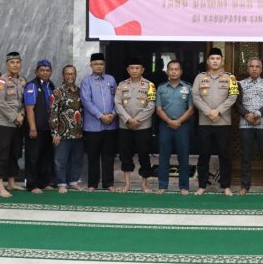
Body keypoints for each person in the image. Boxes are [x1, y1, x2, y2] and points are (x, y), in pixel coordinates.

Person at [192, 47, 238, 196]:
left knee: (224, 155)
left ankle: (226, 186)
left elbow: (233, 97)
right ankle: (202, 185)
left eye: (218, 58)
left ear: (222, 61)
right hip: (205, 123)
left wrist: (218, 111)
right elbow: (196, 97)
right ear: (207, 61)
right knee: (203, 154)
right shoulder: (200, 78)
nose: (215, 61)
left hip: (223, 122)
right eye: (212, 58)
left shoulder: (230, 78)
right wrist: (208, 112)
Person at [114, 57, 156, 193]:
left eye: (137, 68)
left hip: (143, 127)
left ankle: (144, 184)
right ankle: (127, 184)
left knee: (144, 155)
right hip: (125, 127)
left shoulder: (149, 85)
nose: (134, 70)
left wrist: (137, 120)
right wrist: (128, 120)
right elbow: (117, 104)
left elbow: (151, 105)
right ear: (128, 70)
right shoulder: (121, 85)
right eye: (132, 68)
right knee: (125, 155)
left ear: (142, 69)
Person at [235, 57, 263, 196]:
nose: (254, 68)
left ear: (261, 69)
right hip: (245, 125)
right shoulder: (240, 84)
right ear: (247, 69)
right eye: (251, 66)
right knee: (246, 157)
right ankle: (245, 186)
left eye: (257, 66)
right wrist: (248, 116)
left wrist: (257, 114)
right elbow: (237, 104)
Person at [80, 52, 118, 192]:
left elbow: (117, 99)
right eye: (96, 64)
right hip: (93, 126)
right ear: (91, 65)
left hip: (111, 125)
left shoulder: (111, 80)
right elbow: (86, 101)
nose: (99, 66)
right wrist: (101, 116)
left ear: (104, 65)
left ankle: (108, 183)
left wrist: (113, 114)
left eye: (101, 64)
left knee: (108, 156)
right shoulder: (86, 81)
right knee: (93, 156)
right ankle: (92, 184)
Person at [155, 60, 195, 195]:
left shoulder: (188, 87)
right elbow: (158, 109)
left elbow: (191, 109)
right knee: (163, 157)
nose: (173, 71)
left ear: (181, 71)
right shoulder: (161, 88)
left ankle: (184, 187)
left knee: (183, 157)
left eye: (176, 69)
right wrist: (169, 121)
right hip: (165, 125)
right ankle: (162, 185)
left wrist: (178, 121)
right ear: (167, 72)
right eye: (171, 69)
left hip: (182, 126)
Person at [0, 52, 27, 198]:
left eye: (17, 62)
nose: (15, 65)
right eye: (12, 62)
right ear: (7, 64)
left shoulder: (23, 81)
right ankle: (0, 185)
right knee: (2, 154)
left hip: (18, 123)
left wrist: (22, 114)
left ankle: (11, 182)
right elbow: (1, 103)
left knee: (15, 153)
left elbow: (26, 101)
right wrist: (15, 116)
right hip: (4, 123)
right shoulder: (1, 81)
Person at [50, 65, 84, 194]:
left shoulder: (80, 91)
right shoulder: (57, 92)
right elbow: (53, 113)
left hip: (78, 133)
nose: (70, 76)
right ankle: (61, 183)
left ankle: (73, 182)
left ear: (75, 75)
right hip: (62, 134)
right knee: (60, 160)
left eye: (72, 74)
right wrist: (55, 133)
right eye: (67, 74)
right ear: (63, 76)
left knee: (76, 159)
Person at [23, 59, 56, 194]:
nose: (45, 72)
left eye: (47, 70)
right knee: (33, 156)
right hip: (35, 128)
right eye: (42, 70)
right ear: (36, 71)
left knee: (46, 156)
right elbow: (29, 108)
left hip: (48, 128)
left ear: (51, 72)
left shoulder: (51, 85)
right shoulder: (32, 86)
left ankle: (45, 182)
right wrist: (32, 127)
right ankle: (32, 184)